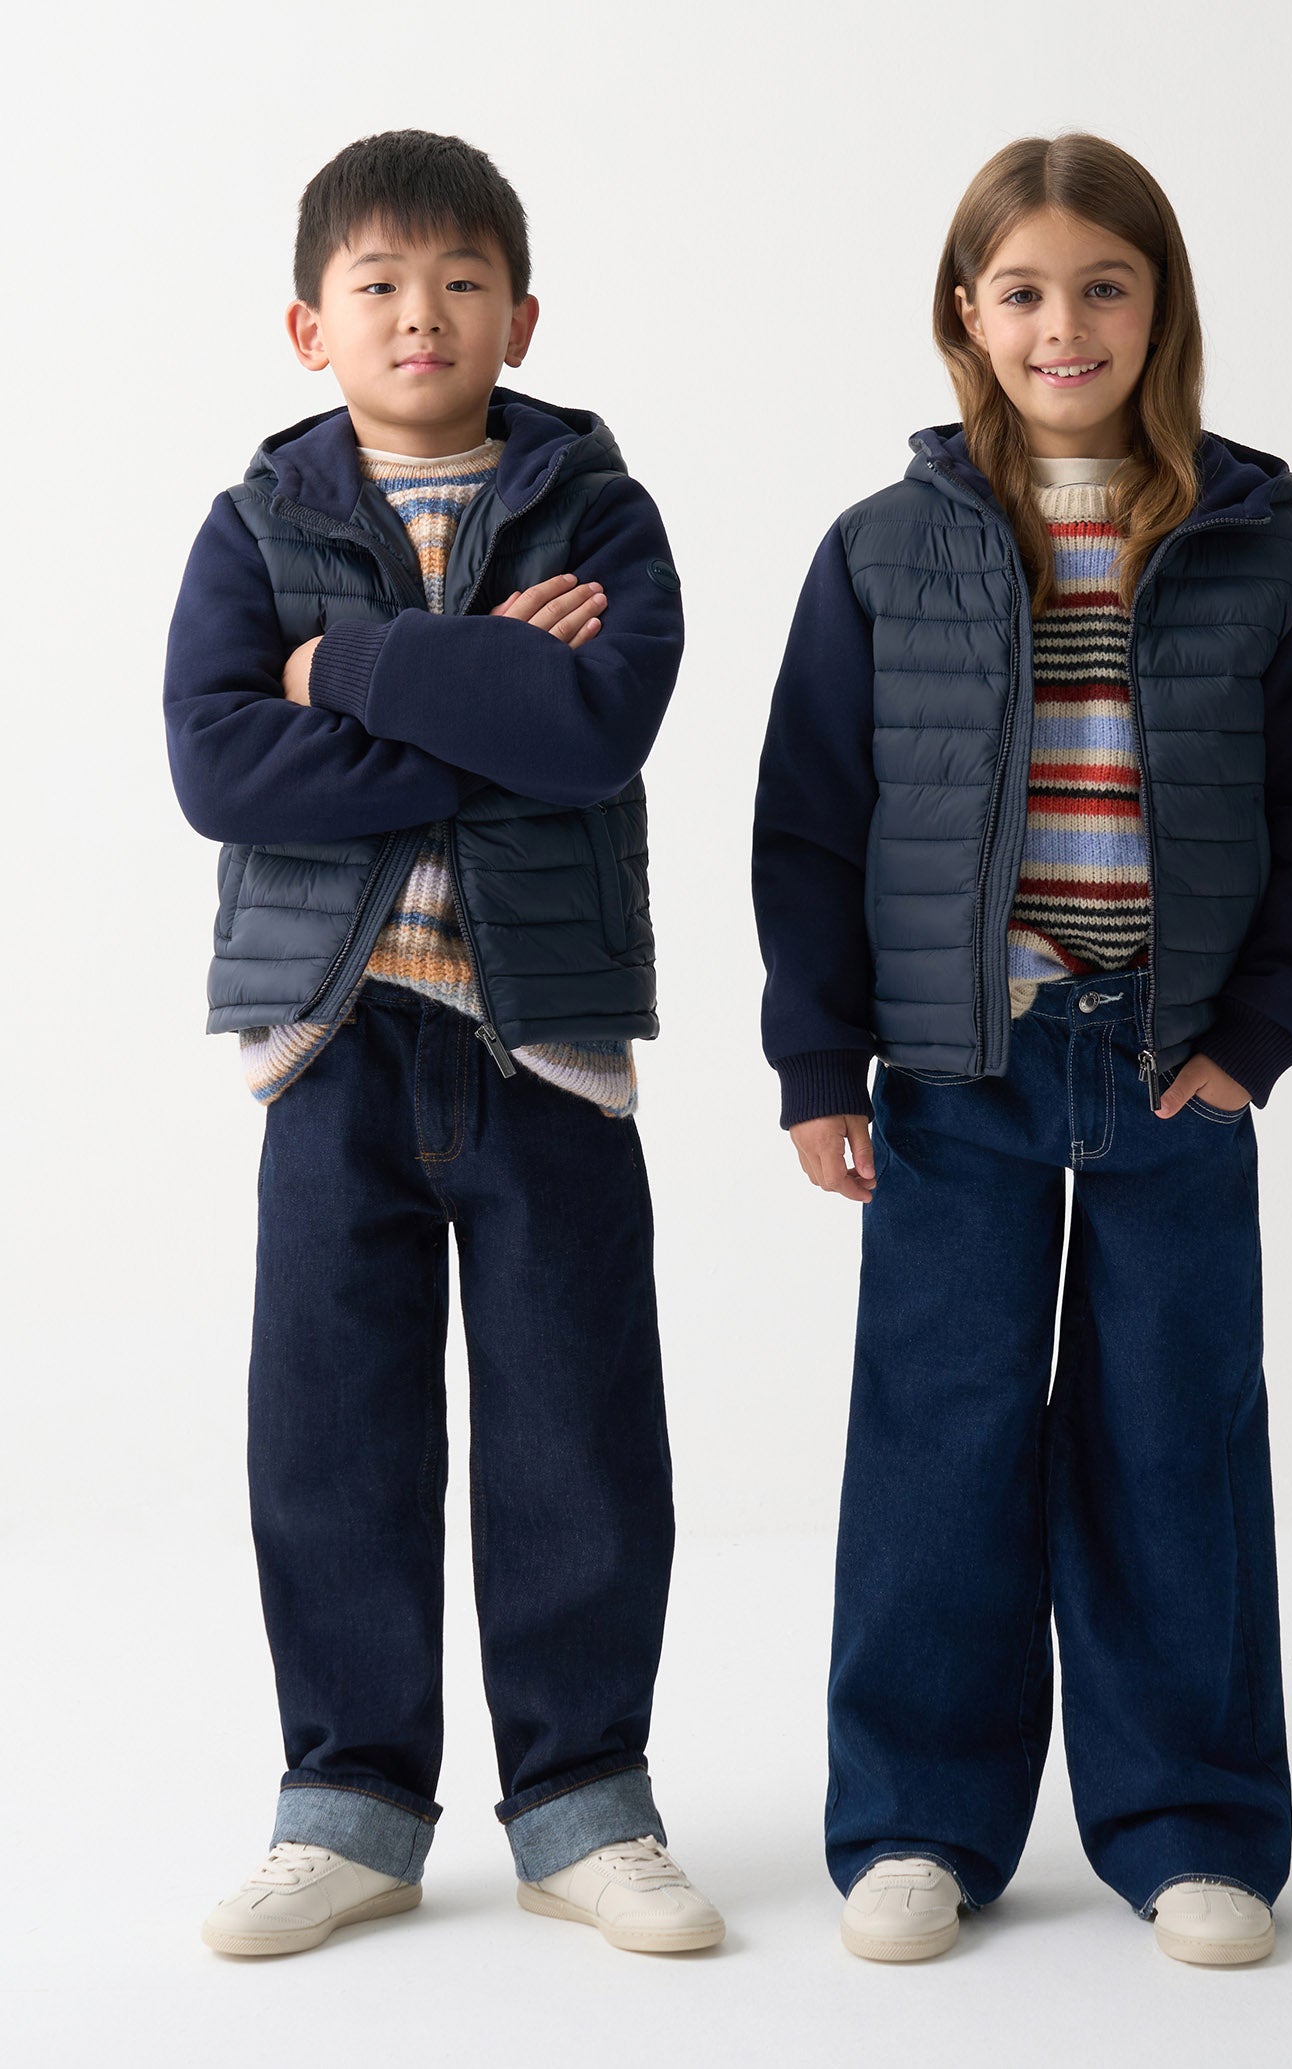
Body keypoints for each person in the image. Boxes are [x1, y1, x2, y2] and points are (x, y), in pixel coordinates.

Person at [751, 131, 1292, 1967]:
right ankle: (916, 1820)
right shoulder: (883, 551)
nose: (1064, 324)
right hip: (962, 1070)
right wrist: (817, 1061)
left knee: (1174, 1438)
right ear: (966, 312)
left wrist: (1258, 1036)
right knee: (936, 1438)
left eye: (1104, 286)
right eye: (1022, 289)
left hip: (1173, 1067)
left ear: (1160, 306)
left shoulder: (1264, 545)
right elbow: (810, 820)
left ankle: (1192, 1822)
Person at [165, 128, 722, 1958]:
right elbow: (218, 764)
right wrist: (490, 682)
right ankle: (346, 1807)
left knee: (578, 1430)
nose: (424, 314)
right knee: (332, 1434)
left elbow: (593, 733)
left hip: (540, 1046)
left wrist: (347, 667)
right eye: (382, 286)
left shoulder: (598, 514)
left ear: (522, 316)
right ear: (309, 327)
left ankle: (586, 1806)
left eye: (463, 283)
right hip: (331, 1042)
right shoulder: (256, 524)